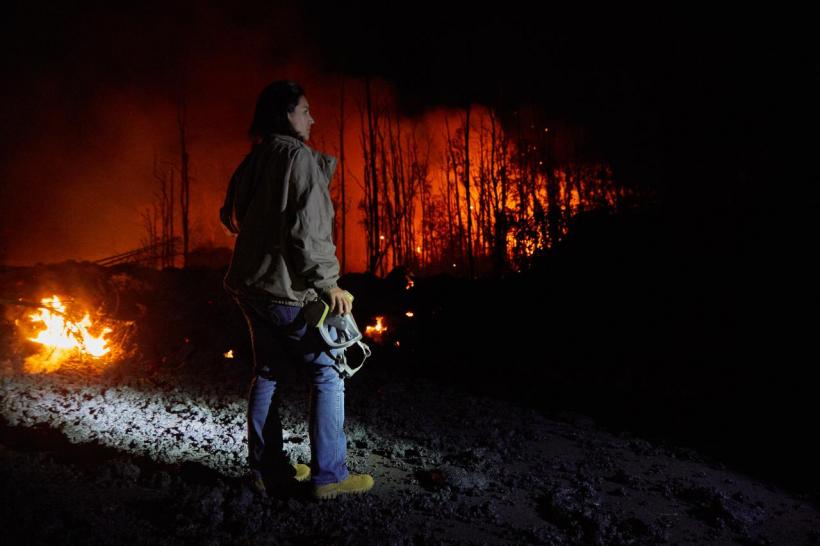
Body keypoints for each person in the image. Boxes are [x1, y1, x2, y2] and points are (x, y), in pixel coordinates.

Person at [220, 80, 373, 500]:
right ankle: (330, 477)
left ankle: (268, 470)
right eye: (305, 110)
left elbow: (229, 216)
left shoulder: (254, 160)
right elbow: (309, 231)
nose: (312, 117)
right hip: (286, 291)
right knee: (328, 372)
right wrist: (327, 284)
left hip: (250, 287)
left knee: (267, 372)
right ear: (286, 114)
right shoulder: (299, 158)